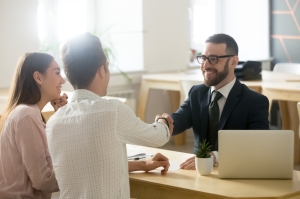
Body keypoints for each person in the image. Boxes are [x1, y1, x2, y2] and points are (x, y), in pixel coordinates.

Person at [45, 32, 174, 199]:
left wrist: (143, 163)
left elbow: (91, 165)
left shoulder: (53, 123)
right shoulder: (113, 111)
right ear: (101, 71)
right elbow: (158, 137)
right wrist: (162, 121)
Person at [169, 33, 269, 169]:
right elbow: (179, 119)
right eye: (203, 58)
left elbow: (259, 146)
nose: (206, 65)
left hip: (236, 174)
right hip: (198, 174)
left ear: (233, 61)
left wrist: (216, 157)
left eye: (213, 59)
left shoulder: (255, 102)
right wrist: (164, 122)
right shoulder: (196, 93)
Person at [0, 52, 68, 199]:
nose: (62, 81)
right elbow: (43, 180)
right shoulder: (26, 115)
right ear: (38, 77)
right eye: (57, 73)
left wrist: (61, 117)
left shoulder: (29, 114)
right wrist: (82, 174)